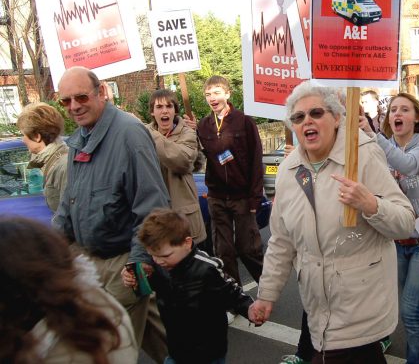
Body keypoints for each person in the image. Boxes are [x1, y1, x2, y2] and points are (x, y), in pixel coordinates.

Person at [249, 81, 415, 363]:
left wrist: (370, 204)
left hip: (361, 306)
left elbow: (405, 222)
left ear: (337, 117)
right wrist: (266, 295)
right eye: (298, 117)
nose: (307, 121)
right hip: (317, 307)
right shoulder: (289, 171)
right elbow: (281, 241)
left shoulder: (362, 154)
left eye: (316, 113)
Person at [53, 66, 170, 361]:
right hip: (89, 260)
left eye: (80, 97)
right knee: (162, 338)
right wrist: (48, 247)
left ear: (101, 93)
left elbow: (153, 205)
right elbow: (70, 202)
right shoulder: (79, 138)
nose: (74, 106)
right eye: (65, 101)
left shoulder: (130, 134)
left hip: (123, 263)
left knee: (106, 352)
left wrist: (139, 260)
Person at [359, 92, 419, 364]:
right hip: (397, 238)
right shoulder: (382, 148)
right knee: (417, 300)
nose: (397, 114)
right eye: (394, 110)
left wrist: (377, 138)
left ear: (417, 117)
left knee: (409, 309)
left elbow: (408, 166)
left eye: (405, 110)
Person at [122, 209, 253, 364]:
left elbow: (232, 292)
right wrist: (137, 279)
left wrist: (250, 309)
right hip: (177, 348)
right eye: (152, 256)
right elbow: (158, 287)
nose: (158, 261)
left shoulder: (206, 268)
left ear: (187, 243)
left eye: (164, 256)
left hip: (208, 351)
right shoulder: (162, 266)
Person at [0, 217, 138, 364]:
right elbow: (65, 218)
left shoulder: (82, 337)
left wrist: (138, 259)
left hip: (119, 260)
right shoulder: (92, 306)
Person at [197, 75, 265, 285]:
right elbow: (201, 158)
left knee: (248, 249)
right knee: (224, 251)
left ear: (227, 94)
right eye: (208, 94)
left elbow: (256, 161)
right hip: (217, 196)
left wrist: (255, 198)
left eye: (216, 92)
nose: (212, 98)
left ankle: (267, 287)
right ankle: (234, 298)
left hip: (242, 196)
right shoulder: (203, 125)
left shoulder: (244, 122)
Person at [145, 89, 207, 244]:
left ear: (175, 111)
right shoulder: (143, 134)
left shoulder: (188, 133)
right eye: (159, 107)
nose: (164, 111)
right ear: (152, 112)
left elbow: (182, 161)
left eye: (169, 106)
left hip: (184, 216)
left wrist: (148, 133)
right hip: (156, 215)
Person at [16, 102, 68, 213]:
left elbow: (73, 216)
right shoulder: (54, 161)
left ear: (37, 136)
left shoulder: (63, 165)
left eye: (23, 134)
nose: (23, 140)